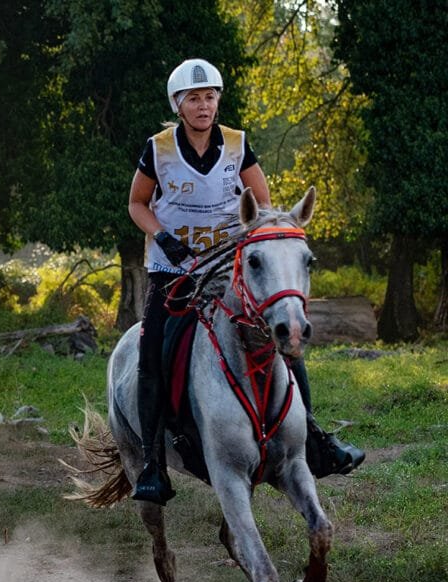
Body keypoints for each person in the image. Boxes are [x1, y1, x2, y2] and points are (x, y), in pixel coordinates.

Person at [126, 58, 364, 505]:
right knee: (153, 349)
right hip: (172, 268)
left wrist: (252, 243)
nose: (203, 106)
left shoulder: (237, 144)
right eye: (194, 99)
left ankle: (313, 437)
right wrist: (163, 237)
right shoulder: (158, 148)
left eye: (210, 97)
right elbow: (137, 204)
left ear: (217, 101)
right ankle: (152, 463)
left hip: (225, 264)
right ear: (178, 105)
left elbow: (263, 204)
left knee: (281, 337)